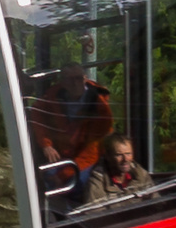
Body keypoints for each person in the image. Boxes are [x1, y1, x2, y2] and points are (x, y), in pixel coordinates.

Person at [26, 59, 113, 189]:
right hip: (63, 153)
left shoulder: (98, 106)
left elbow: (91, 151)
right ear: (62, 82)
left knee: (75, 185)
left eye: (78, 78)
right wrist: (46, 144)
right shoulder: (54, 95)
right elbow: (36, 113)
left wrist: (64, 175)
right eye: (69, 79)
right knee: (39, 178)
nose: (75, 83)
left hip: (87, 157)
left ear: (85, 78)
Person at [84, 133, 150, 205]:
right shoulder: (97, 181)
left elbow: (156, 203)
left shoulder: (140, 174)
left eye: (128, 154)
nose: (125, 159)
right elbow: (96, 212)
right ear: (108, 156)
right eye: (119, 155)